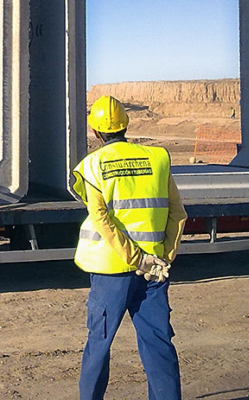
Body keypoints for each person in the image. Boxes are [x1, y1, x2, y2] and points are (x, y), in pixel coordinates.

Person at [71, 95, 187, 400]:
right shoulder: (157, 158)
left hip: (111, 271)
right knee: (158, 342)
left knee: (99, 343)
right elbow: (177, 213)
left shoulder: (92, 165)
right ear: (127, 124)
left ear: (95, 132)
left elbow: (102, 221)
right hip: (153, 271)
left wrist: (136, 259)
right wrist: (163, 257)